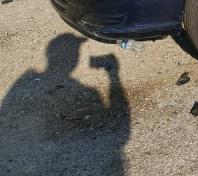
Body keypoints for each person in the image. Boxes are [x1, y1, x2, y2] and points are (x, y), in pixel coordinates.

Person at [0, 33, 130, 175]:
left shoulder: (24, 82)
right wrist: (113, 76)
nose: (77, 56)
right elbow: (123, 132)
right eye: (76, 52)